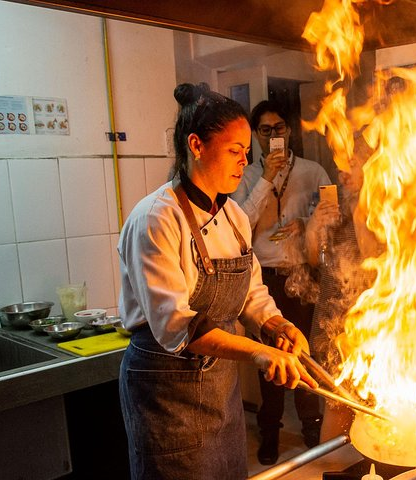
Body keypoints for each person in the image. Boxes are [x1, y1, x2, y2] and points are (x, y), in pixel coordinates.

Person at [117, 82, 317, 480]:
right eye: (233, 151)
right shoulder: (156, 218)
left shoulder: (234, 216)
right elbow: (178, 326)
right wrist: (260, 353)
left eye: (246, 152)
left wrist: (276, 324)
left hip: (218, 388)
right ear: (196, 145)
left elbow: (251, 293)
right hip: (167, 390)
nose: (244, 162)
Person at [230, 100, 330, 464]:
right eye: (266, 130)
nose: (274, 136)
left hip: (303, 276)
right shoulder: (243, 176)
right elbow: (238, 224)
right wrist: (266, 179)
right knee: (270, 363)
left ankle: (311, 425)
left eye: (280, 128)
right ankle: (270, 431)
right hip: (265, 282)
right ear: (257, 136)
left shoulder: (312, 170)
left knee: (306, 356)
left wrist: (307, 224)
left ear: (289, 131)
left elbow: (330, 217)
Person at [305, 136, 379, 442]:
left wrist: (360, 210)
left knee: (371, 410)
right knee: (337, 407)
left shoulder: (384, 205)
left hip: (368, 325)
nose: (342, 172)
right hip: (331, 320)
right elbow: (315, 261)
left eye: (351, 164)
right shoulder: (332, 204)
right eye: (339, 165)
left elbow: (374, 261)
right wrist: (314, 226)